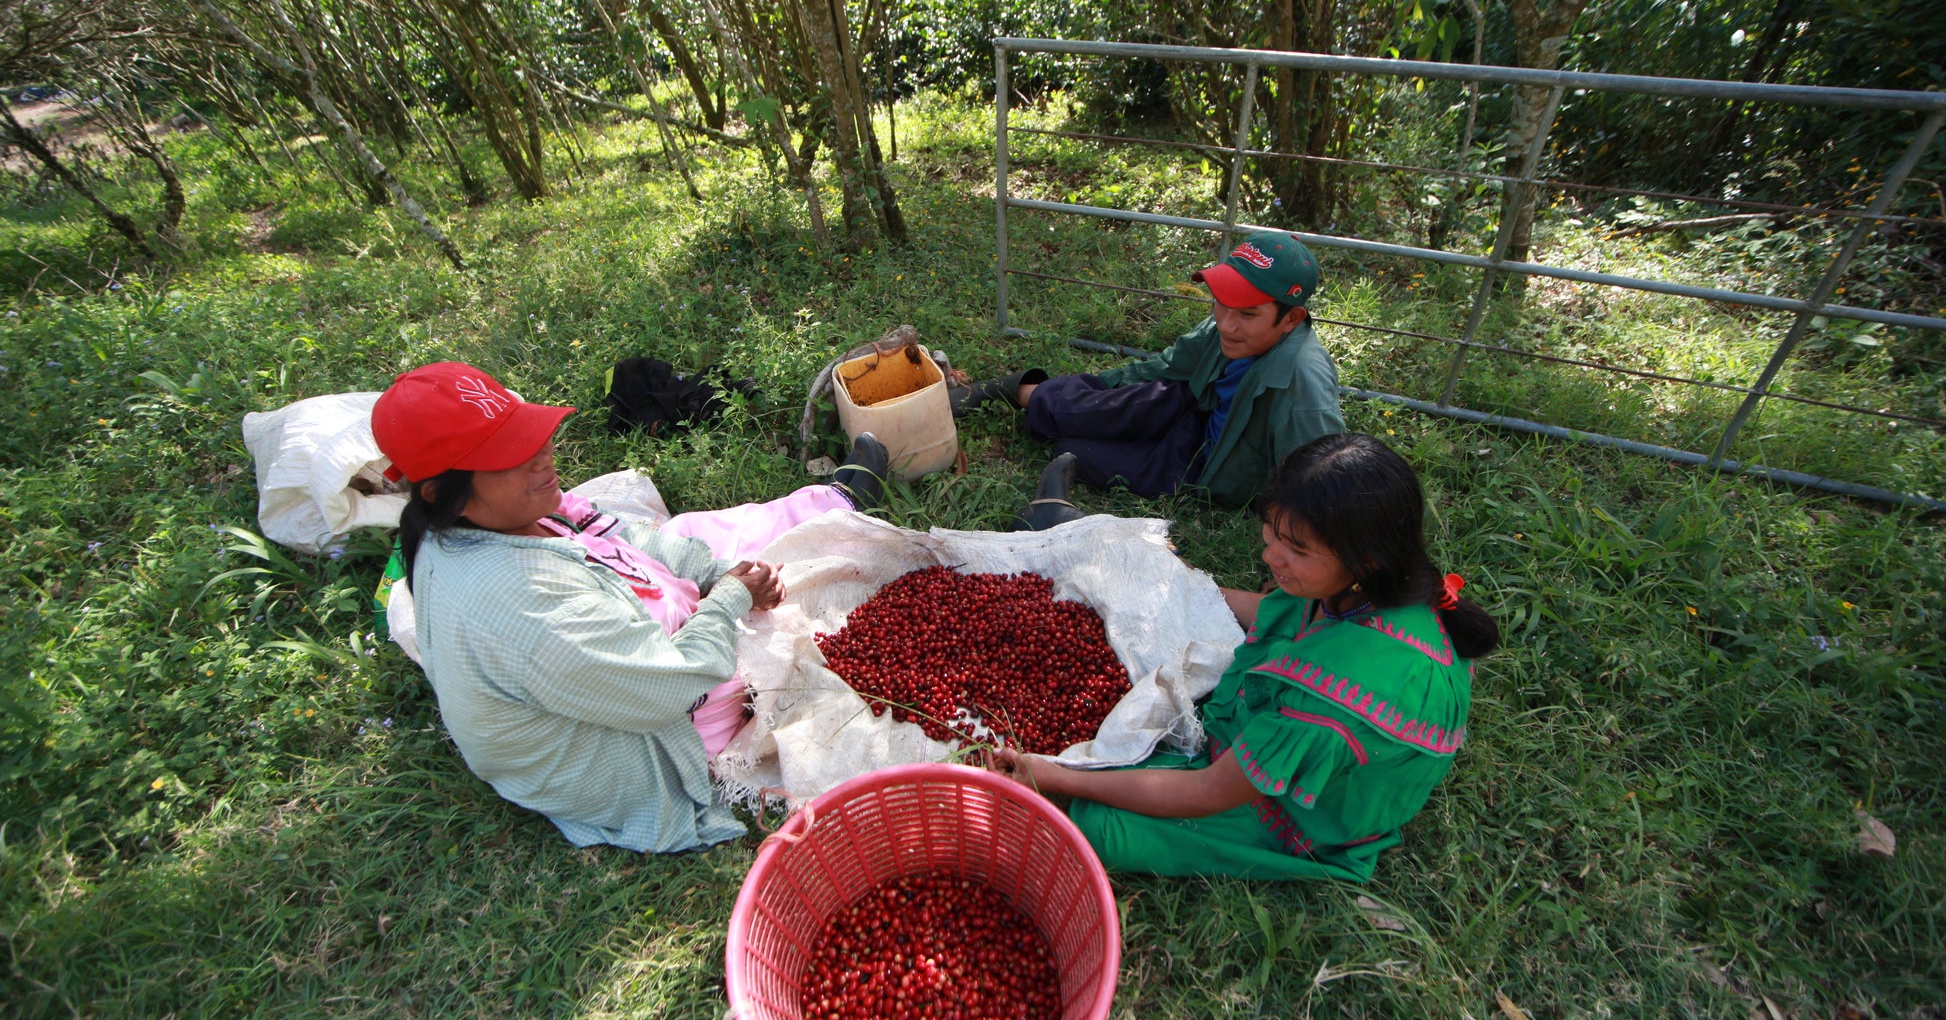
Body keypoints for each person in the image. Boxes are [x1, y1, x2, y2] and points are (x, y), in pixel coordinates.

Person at [370, 361, 890, 854]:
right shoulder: (524, 608)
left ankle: (832, 502)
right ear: (444, 494)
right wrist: (730, 596)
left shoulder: (507, 516)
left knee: (689, 537)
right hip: (653, 736)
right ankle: (835, 513)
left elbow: (617, 533)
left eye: (530, 435)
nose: (543, 454)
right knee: (777, 650)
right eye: (511, 456)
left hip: (621, 663)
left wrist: (712, 574)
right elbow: (670, 684)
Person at [989, 433, 1498, 882]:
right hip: (1300, 727)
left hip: (1301, 815)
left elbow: (1210, 791)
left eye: (1295, 549)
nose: (1271, 556)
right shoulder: (1368, 587)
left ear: (1364, 558)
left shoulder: (1334, 697)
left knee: (1095, 824)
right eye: (1272, 532)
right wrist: (1153, 572)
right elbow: (1259, 610)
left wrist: (1053, 775)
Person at [956, 231, 1345, 529]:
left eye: (1247, 314)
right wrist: (1089, 389)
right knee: (1093, 406)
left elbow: (1322, 488)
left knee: (1074, 448)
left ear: (1291, 319)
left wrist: (1288, 544)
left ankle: (1032, 401)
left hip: (1202, 467)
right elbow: (1156, 370)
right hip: (1190, 408)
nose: (1226, 323)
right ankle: (1011, 390)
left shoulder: (1303, 386)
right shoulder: (1222, 327)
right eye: (1221, 303)